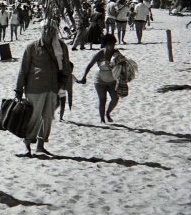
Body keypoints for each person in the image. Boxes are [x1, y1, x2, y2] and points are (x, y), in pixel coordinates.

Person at [15, 19, 70, 156]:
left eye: (51, 29)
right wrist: (18, 90)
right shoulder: (32, 47)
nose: (47, 31)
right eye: (45, 29)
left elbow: (66, 67)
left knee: (47, 117)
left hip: (53, 87)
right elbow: (23, 70)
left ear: (55, 31)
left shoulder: (61, 47)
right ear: (40, 30)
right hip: (35, 88)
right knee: (33, 118)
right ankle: (27, 147)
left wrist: (63, 84)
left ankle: (40, 145)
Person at [78, 34, 123, 124]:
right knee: (102, 100)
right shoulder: (100, 53)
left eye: (114, 44)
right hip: (99, 80)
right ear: (105, 44)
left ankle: (108, 113)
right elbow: (89, 65)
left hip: (112, 80)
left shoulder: (116, 53)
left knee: (115, 98)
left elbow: (123, 65)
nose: (113, 46)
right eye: (110, 44)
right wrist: (84, 77)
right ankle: (102, 119)